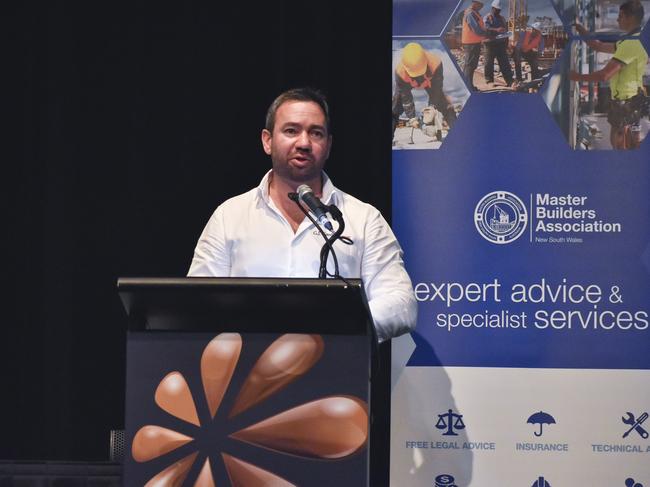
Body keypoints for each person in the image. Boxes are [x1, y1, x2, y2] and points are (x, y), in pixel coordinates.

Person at [188, 88, 418, 341]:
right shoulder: (229, 216)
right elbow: (198, 303)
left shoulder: (363, 220)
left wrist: (334, 330)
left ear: (328, 145)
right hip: (247, 369)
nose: (304, 143)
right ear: (267, 140)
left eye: (316, 133)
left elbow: (401, 304)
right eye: (291, 131)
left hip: (336, 370)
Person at [570, 0, 648, 149]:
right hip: (631, 100)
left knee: (620, 145)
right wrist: (580, 29)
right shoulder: (632, 39)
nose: (617, 19)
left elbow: (604, 75)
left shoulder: (632, 43)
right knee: (628, 144)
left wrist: (575, 77)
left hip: (625, 102)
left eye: (620, 16)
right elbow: (597, 46)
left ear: (629, 17)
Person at [392, 42, 457, 140]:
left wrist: (432, 107)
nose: (418, 76)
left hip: (430, 83)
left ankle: (458, 134)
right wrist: (412, 117)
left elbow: (437, 89)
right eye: (415, 74)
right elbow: (406, 97)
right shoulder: (400, 72)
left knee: (444, 104)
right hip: (407, 83)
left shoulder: (436, 63)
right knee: (395, 108)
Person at [483, 0, 514, 86]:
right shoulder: (487, 17)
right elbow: (485, 29)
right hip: (490, 44)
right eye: (497, 10)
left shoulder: (502, 18)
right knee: (489, 63)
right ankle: (489, 81)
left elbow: (506, 31)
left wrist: (507, 43)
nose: (498, 11)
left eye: (499, 10)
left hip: (501, 44)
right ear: (493, 8)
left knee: (505, 63)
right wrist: (496, 30)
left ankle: (509, 81)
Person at [462, 0, 490, 90]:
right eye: (480, 5)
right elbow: (477, 30)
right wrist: (487, 34)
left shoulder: (474, 13)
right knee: (470, 65)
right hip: (471, 43)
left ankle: (469, 86)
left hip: (473, 43)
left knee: (471, 65)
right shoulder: (470, 14)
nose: (481, 7)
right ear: (475, 3)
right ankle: (468, 88)